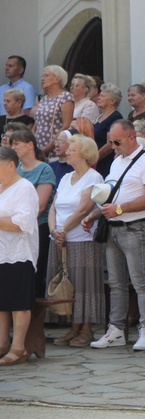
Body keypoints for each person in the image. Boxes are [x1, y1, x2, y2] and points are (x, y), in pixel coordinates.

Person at [82, 120, 145, 351]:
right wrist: (95, 215)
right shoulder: (117, 162)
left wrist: (120, 210)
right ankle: (116, 329)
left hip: (135, 227)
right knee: (116, 283)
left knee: (140, 281)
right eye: (110, 142)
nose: (113, 146)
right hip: (113, 228)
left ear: (131, 138)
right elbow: (111, 197)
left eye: (116, 142)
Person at [47, 135, 105, 347]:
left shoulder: (93, 177)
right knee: (67, 283)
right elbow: (53, 207)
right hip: (61, 239)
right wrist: (54, 230)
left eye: (72, 149)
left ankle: (86, 329)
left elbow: (84, 209)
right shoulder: (65, 177)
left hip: (82, 239)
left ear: (84, 153)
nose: (67, 152)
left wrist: (63, 229)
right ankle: (73, 327)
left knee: (83, 284)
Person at [0, 147, 39, 366]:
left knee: (18, 302)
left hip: (19, 253)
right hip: (1, 253)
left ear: (11, 165)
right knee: (2, 302)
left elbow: (22, 223)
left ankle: (18, 347)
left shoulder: (24, 188)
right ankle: (2, 343)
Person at [10, 130, 56, 298]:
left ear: (30, 145)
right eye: (12, 144)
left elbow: (40, 205)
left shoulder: (44, 169)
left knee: (35, 271)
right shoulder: (14, 169)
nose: (12, 147)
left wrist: (16, 221)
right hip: (13, 228)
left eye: (17, 144)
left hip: (37, 227)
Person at [35, 65, 74, 157]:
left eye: (46, 76)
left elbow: (66, 125)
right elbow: (37, 124)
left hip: (54, 149)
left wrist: (48, 148)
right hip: (39, 148)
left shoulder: (65, 97)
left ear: (57, 79)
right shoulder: (44, 99)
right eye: (42, 76)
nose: (42, 79)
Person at [92, 84, 124, 178]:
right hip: (97, 163)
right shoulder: (99, 116)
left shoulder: (115, 117)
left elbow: (110, 144)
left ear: (112, 101)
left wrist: (94, 158)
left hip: (105, 163)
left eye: (102, 96)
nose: (98, 98)